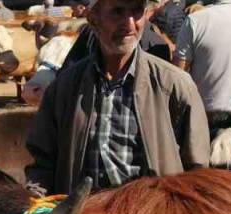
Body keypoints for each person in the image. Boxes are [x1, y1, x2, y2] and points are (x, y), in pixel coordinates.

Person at [26, 0, 209, 194]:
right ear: (93, 20)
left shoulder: (174, 84)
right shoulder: (65, 87)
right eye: (117, 12)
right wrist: (37, 206)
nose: (130, 24)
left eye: (137, 12)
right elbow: (42, 163)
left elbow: (197, 170)